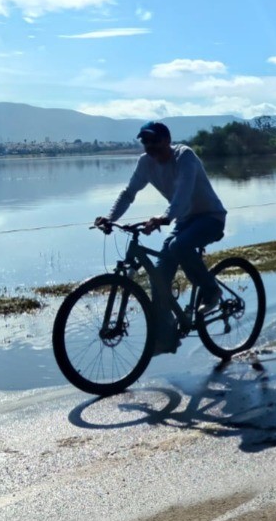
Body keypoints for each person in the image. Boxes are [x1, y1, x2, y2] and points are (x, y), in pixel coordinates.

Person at [94, 121, 227, 354]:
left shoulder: (184, 156)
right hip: (184, 221)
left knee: (178, 246)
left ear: (167, 140)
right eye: (145, 142)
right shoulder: (145, 163)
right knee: (158, 276)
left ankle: (211, 290)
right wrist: (110, 217)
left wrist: (164, 217)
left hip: (210, 217)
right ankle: (166, 337)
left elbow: (183, 193)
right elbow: (128, 193)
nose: (150, 146)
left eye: (154, 140)